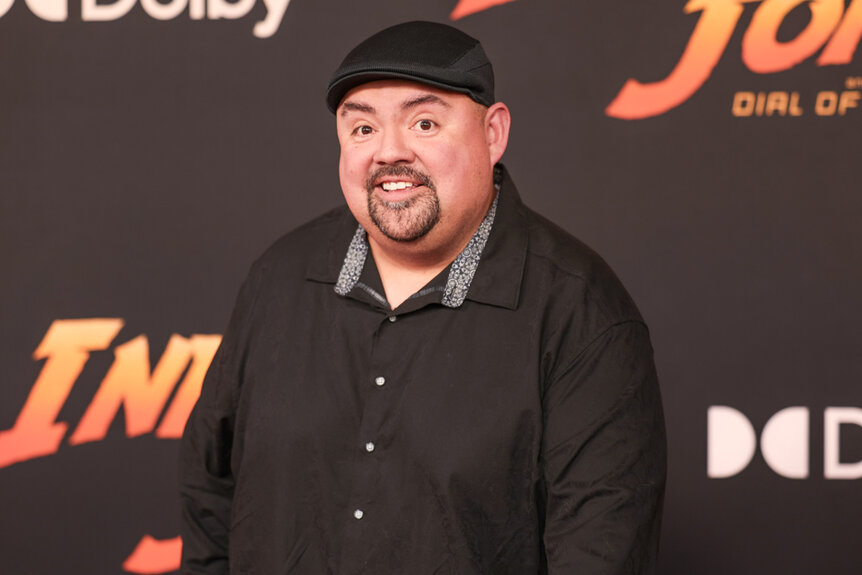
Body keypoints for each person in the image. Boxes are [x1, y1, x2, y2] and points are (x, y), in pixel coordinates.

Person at [180, 20, 666, 575]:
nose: (389, 152)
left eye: (425, 122)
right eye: (362, 128)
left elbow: (601, 550)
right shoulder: (280, 278)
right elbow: (209, 488)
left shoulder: (582, 313)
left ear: (493, 133)